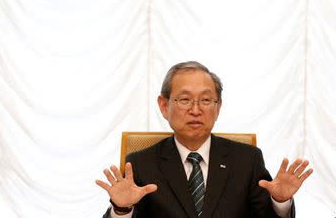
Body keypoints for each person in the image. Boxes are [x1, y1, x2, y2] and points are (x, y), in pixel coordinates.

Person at [96, 61, 313, 218]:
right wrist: (121, 210)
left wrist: (281, 202)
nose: (196, 110)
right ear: (164, 106)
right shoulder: (141, 163)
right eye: (184, 100)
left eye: (206, 100)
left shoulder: (247, 159)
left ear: (218, 107)